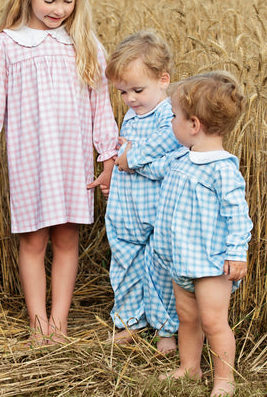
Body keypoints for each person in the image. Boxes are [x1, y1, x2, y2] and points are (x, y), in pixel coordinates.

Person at [0, 0, 118, 344]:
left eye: (68, 1)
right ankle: (37, 327)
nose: (59, 9)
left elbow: (100, 108)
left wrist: (108, 158)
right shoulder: (7, 46)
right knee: (32, 242)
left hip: (72, 163)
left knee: (68, 240)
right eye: (49, 0)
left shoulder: (85, 45)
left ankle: (60, 324)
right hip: (31, 161)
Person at [140, 71, 253, 396]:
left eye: (174, 116)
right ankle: (189, 368)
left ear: (193, 125)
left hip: (211, 265)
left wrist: (236, 253)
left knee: (214, 322)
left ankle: (224, 380)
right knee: (187, 319)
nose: (171, 122)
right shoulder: (182, 159)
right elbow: (156, 170)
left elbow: (237, 216)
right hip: (180, 261)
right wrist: (130, 160)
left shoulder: (222, 169)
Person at [104, 30, 182, 352]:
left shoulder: (170, 115)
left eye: (137, 90)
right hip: (125, 212)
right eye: (123, 92)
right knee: (125, 266)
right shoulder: (132, 116)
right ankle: (129, 322)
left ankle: (166, 331)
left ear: (163, 79)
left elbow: (168, 153)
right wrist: (117, 174)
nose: (130, 98)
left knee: (161, 270)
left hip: (156, 212)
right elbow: (125, 156)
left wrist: (131, 159)